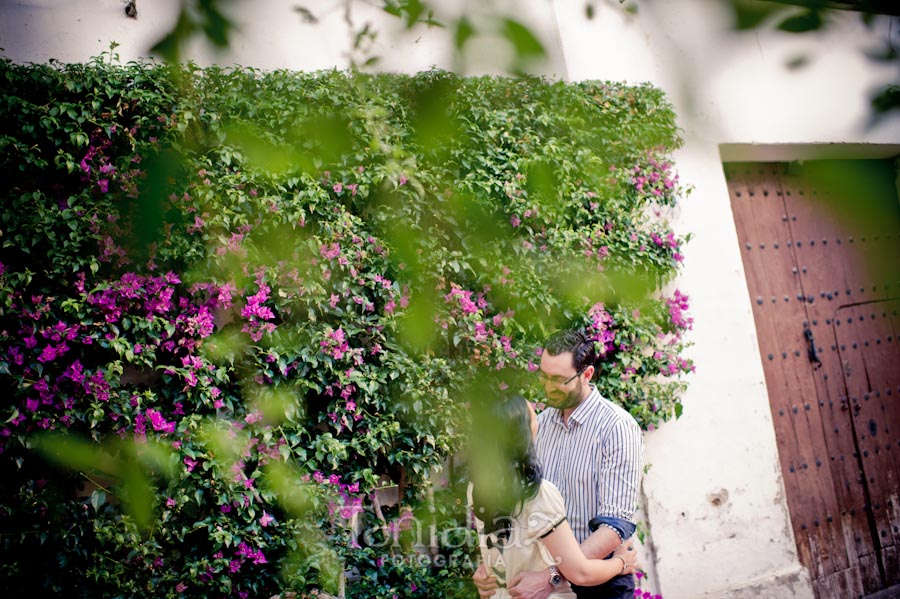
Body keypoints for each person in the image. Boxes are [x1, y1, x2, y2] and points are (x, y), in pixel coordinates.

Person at [474, 329, 644, 599]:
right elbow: (517, 501)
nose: (548, 386)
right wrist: (491, 563)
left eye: (558, 379)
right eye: (543, 376)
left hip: (599, 582)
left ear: (586, 374)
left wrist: (551, 576)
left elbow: (615, 526)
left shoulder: (617, 427)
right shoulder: (537, 424)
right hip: (544, 586)